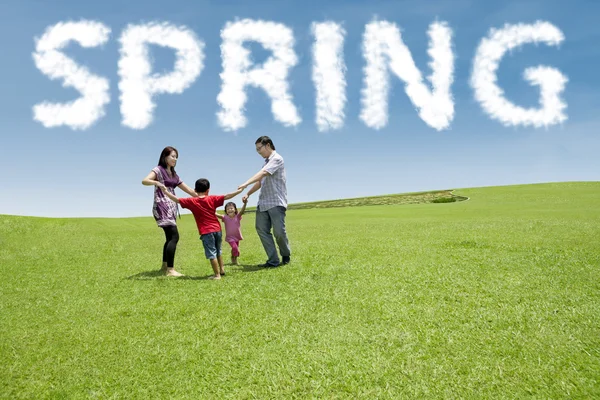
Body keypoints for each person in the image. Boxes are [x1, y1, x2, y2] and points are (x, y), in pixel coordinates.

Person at [161, 178, 243, 280]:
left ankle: (217, 275)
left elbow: (177, 200)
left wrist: (165, 191)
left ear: (195, 190)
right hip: (217, 230)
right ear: (208, 190)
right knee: (218, 251)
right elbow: (227, 196)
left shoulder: (192, 201)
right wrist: (239, 191)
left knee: (211, 253)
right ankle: (221, 270)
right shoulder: (212, 199)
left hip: (206, 231)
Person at [142, 146, 197, 277]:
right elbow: (144, 180)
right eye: (172, 156)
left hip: (171, 207)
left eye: (176, 157)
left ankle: (165, 266)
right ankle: (170, 270)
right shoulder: (158, 170)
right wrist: (157, 183)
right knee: (174, 236)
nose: (175, 159)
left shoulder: (174, 174)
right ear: (165, 157)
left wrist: (201, 196)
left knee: (169, 237)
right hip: (162, 206)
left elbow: (188, 190)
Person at [238, 136, 291, 267]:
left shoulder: (277, 159)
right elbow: (260, 181)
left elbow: (262, 174)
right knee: (262, 230)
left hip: (276, 202)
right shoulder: (266, 163)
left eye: (259, 149)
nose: (258, 152)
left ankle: (285, 254)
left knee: (279, 232)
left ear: (267, 145)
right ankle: (273, 260)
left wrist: (245, 183)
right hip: (263, 203)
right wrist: (248, 193)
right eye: (257, 150)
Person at [216, 198, 248, 265]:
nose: (229, 210)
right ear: (226, 211)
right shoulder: (225, 217)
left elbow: (242, 211)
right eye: (228, 209)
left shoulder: (238, 216)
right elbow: (217, 214)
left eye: (231, 208)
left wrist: (245, 203)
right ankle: (234, 260)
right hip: (230, 237)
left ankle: (234, 258)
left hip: (237, 236)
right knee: (235, 248)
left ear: (235, 209)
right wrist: (210, 209)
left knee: (235, 249)